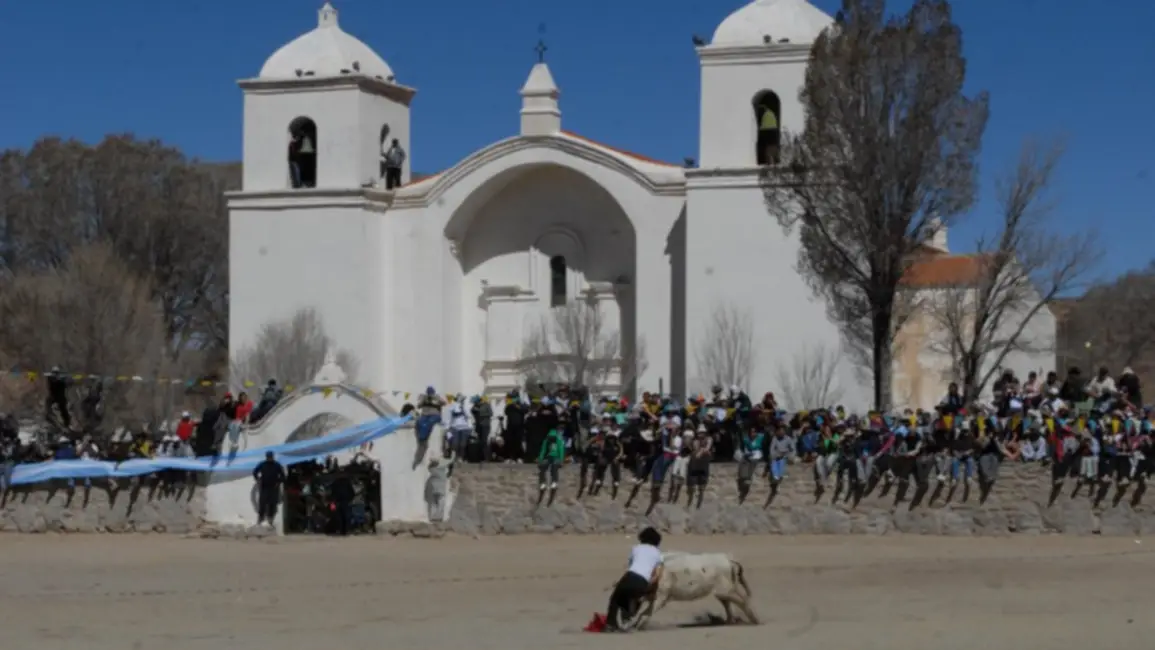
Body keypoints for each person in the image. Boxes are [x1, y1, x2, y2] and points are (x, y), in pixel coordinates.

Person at [606, 527, 664, 631]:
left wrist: (619, 582)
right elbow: (657, 575)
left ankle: (611, 624)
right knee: (634, 598)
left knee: (615, 599)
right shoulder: (658, 553)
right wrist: (651, 588)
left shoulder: (636, 548)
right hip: (643, 581)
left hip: (630, 576)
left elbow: (631, 567)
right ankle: (627, 620)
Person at [253, 451, 286, 526]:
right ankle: (260, 519)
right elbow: (255, 472)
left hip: (273, 488)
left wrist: (278, 482)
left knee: (272, 504)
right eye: (268, 457)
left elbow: (283, 476)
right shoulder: (262, 464)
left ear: (273, 457)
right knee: (262, 503)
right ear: (266, 457)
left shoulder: (277, 465)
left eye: (271, 457)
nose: (269, 458)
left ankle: (270, 520)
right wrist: (258, 479)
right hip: (264, 487)